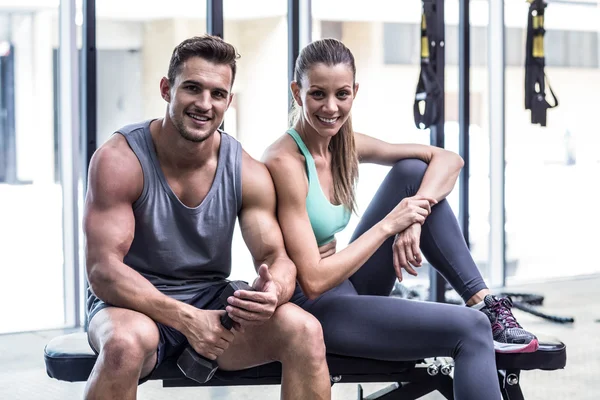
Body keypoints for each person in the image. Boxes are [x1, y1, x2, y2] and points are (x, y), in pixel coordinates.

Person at [263, 38, 538, 400]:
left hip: (347, 287)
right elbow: (312, 280)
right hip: (312, 307)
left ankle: (483, 299)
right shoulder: (285, 163)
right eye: (318, 94)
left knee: (413, 173)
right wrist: (391, 224)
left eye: (342, 94)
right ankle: (483, 316)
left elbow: (448, 159)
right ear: (297, 92)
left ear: (355, 92)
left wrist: (414, 217)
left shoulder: (343, 144)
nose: (331, 107)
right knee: (471, 330)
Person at [82, 35, 331, 400]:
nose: (204, 104)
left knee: (304, 330)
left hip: (211, 303)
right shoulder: (120, 159)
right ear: (167, 89)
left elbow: (276, 257)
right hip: (130, 305)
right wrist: (186, 318)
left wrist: (274, 289)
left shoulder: (246, 170)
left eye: (217, 94)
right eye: (192, 88)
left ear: (229, 101)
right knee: (124, 346)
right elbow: (103, 272)